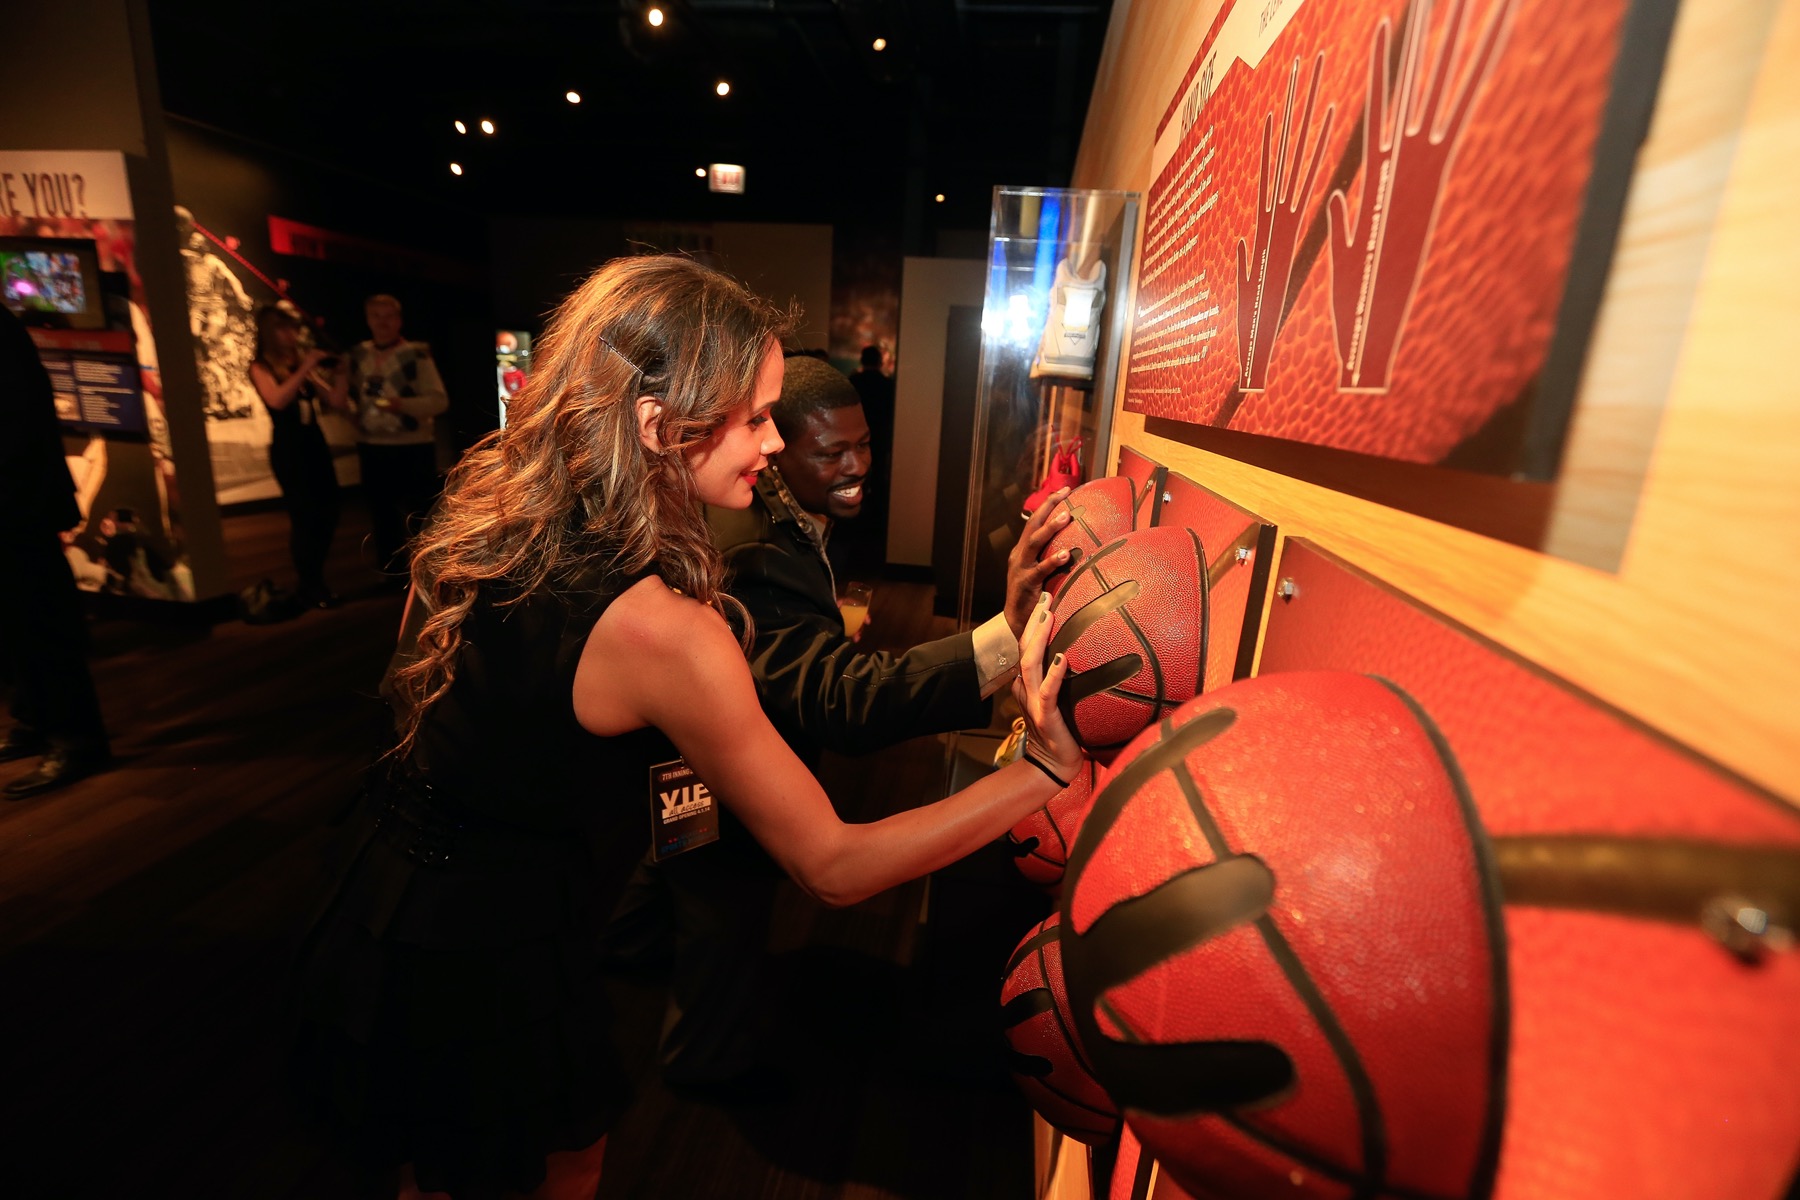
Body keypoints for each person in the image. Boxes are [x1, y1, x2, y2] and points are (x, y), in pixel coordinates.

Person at [289, 256, 1082, 1200]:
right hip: (491, 942)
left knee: (443, 1161)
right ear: (656, 424)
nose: (773, 443)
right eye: (753, 417)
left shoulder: (491, 501)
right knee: (548, 1166)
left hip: (385, 890)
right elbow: (833, 864)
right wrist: (1040, 769)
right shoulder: (664, 629)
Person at [599, 353, 1076, 1089]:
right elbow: (844, 703)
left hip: (681, 765)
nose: (857, 466)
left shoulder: (784, 515)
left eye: (864, 445)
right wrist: (1006, 636)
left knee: (680, 870)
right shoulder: (756, 549)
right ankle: (706, 1067)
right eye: (831, 452)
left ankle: (625, 949)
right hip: (719, 772)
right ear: (779, 452)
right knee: (724, 904)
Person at [0, 305, 111, 799]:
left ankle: (75, 739)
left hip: (17, 504)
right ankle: (36, 719)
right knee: (14, 622)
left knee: (41, 620)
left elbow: (18, 424)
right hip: (15, 502)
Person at [250, 303, 348, 609]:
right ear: (271, 332)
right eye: (285, 328)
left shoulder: (297, 366)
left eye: (295, 328)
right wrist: (306, 366)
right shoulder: (260, 367)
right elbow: (277, 400)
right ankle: (310, 584)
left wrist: (341, 373)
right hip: (289, 448)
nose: (293, 334)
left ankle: (314, 579)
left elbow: (335, 400)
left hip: (313, 444)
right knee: (304, 517)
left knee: (330, 510)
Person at [348, 294, 448, 584]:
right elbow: (348, 398)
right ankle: (391, 572)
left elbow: (439, 401)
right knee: (381, 516)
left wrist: (400, 405)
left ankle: (426, 573)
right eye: (376, 316)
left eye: (389, 316)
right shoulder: (358, 355)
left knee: (419, 514)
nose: (383, 322)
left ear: (399, 320)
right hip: (372, 447)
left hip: (412, 446)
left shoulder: (416, 354)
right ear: (368, 320)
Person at [848, 344, 896, 569]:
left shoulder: (853, 382)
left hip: (853, 441)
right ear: (878, 361)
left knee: (854, 479)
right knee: (877, 482)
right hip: (880, 439)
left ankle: (855, 524)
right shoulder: (887, 385)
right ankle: (873, 526)